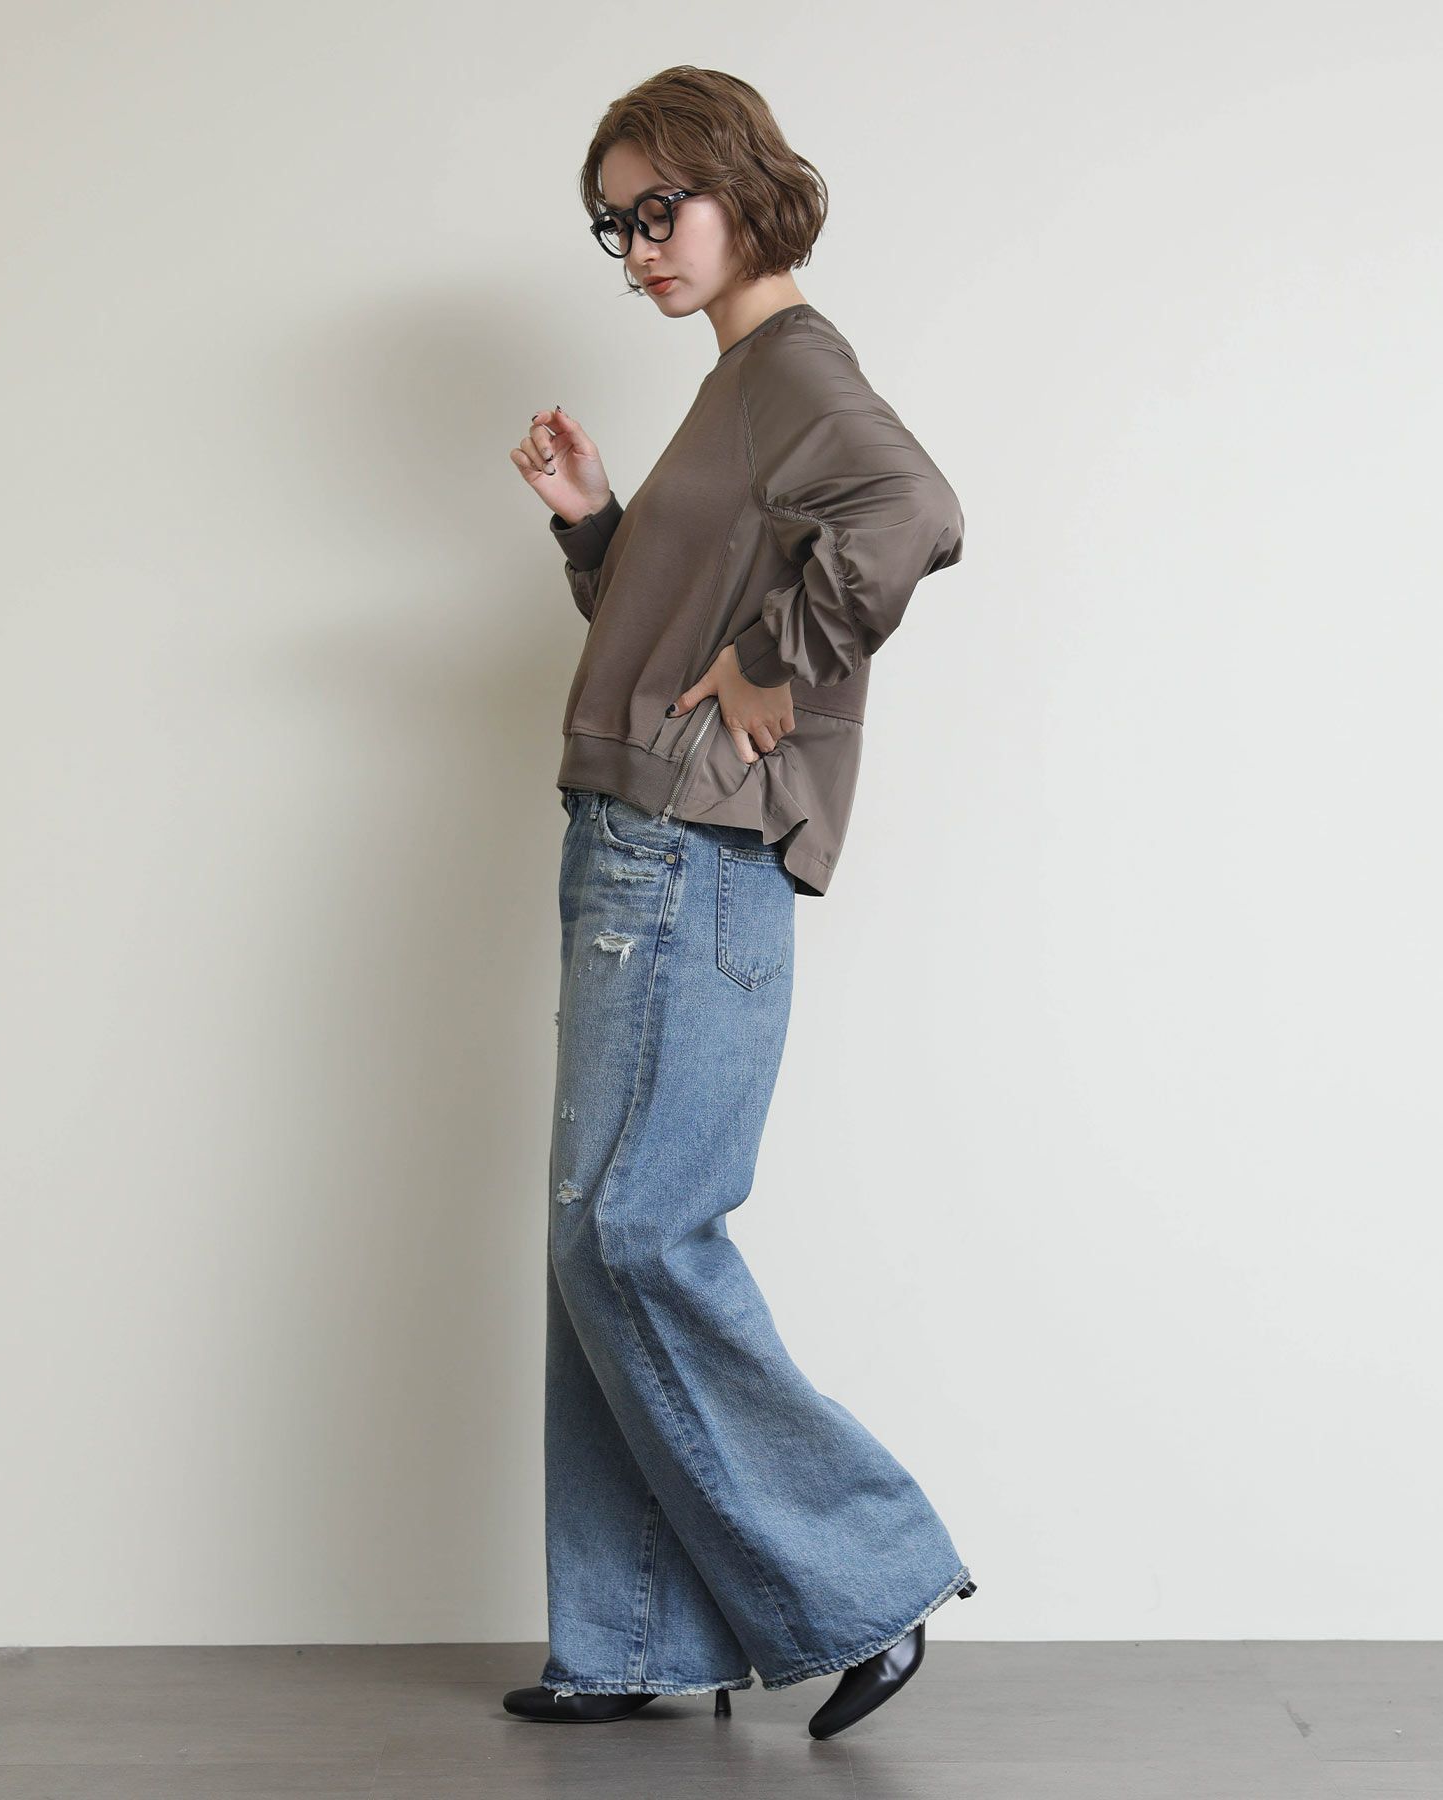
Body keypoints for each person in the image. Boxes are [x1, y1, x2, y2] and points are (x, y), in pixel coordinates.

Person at [502, 66, 974, 1742]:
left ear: (740, 187)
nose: (639, 246)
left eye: (660, 208)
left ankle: (866, 1575)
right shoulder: (738, 388)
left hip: (681, 848)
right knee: (598, 1242)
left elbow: (913, 513)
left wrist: (780, 662)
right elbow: (677, 631)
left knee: (632, 1232)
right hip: (640, 835)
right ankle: (633, 1637)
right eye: (614, 225)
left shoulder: (792, 372)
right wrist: (600, 532)